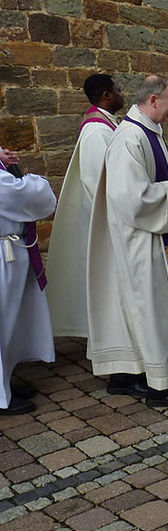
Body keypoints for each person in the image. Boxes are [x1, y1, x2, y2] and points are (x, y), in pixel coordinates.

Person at [86, 75, 168, 408]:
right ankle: (160, 388)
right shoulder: (130, 138)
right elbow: (129, 198)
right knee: (149, 310)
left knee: (146, 309)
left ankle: (131, 376)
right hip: (139, 241)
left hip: (149, 237)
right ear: (154, 100)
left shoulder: (146, 132)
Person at [46, 74, 124, 338]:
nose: (121, 91)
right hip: (104, 221)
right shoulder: (96, 131)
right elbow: (96, 182)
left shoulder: (106, 125)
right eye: (116, 88)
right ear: (106, 95)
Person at [0, 155, 58, 415]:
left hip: (10, 247)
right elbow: (17, 194)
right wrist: (40, 183)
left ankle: (4, 381)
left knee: (10, 321)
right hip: (3, 250)